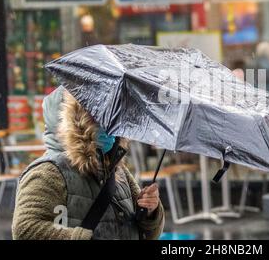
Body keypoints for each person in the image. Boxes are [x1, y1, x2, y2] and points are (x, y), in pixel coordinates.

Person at [12, 87, 164, 240]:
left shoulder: (116, 169)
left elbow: (148, 234)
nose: (108, 125)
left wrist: (149, 211)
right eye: (98, 117)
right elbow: (25, 229)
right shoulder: (48, 171)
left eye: (110, 116)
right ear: (75, 124)